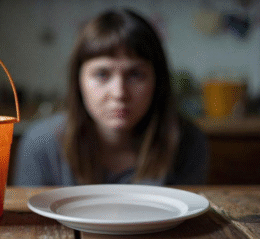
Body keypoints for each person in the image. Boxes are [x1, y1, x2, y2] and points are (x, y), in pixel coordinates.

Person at [13, 8, 209, 186]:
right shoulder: (41, 144)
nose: (119, 93)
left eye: (135, 74)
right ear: (78, 81)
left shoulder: (187, 142)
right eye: (102, 74)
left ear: (157, 81)